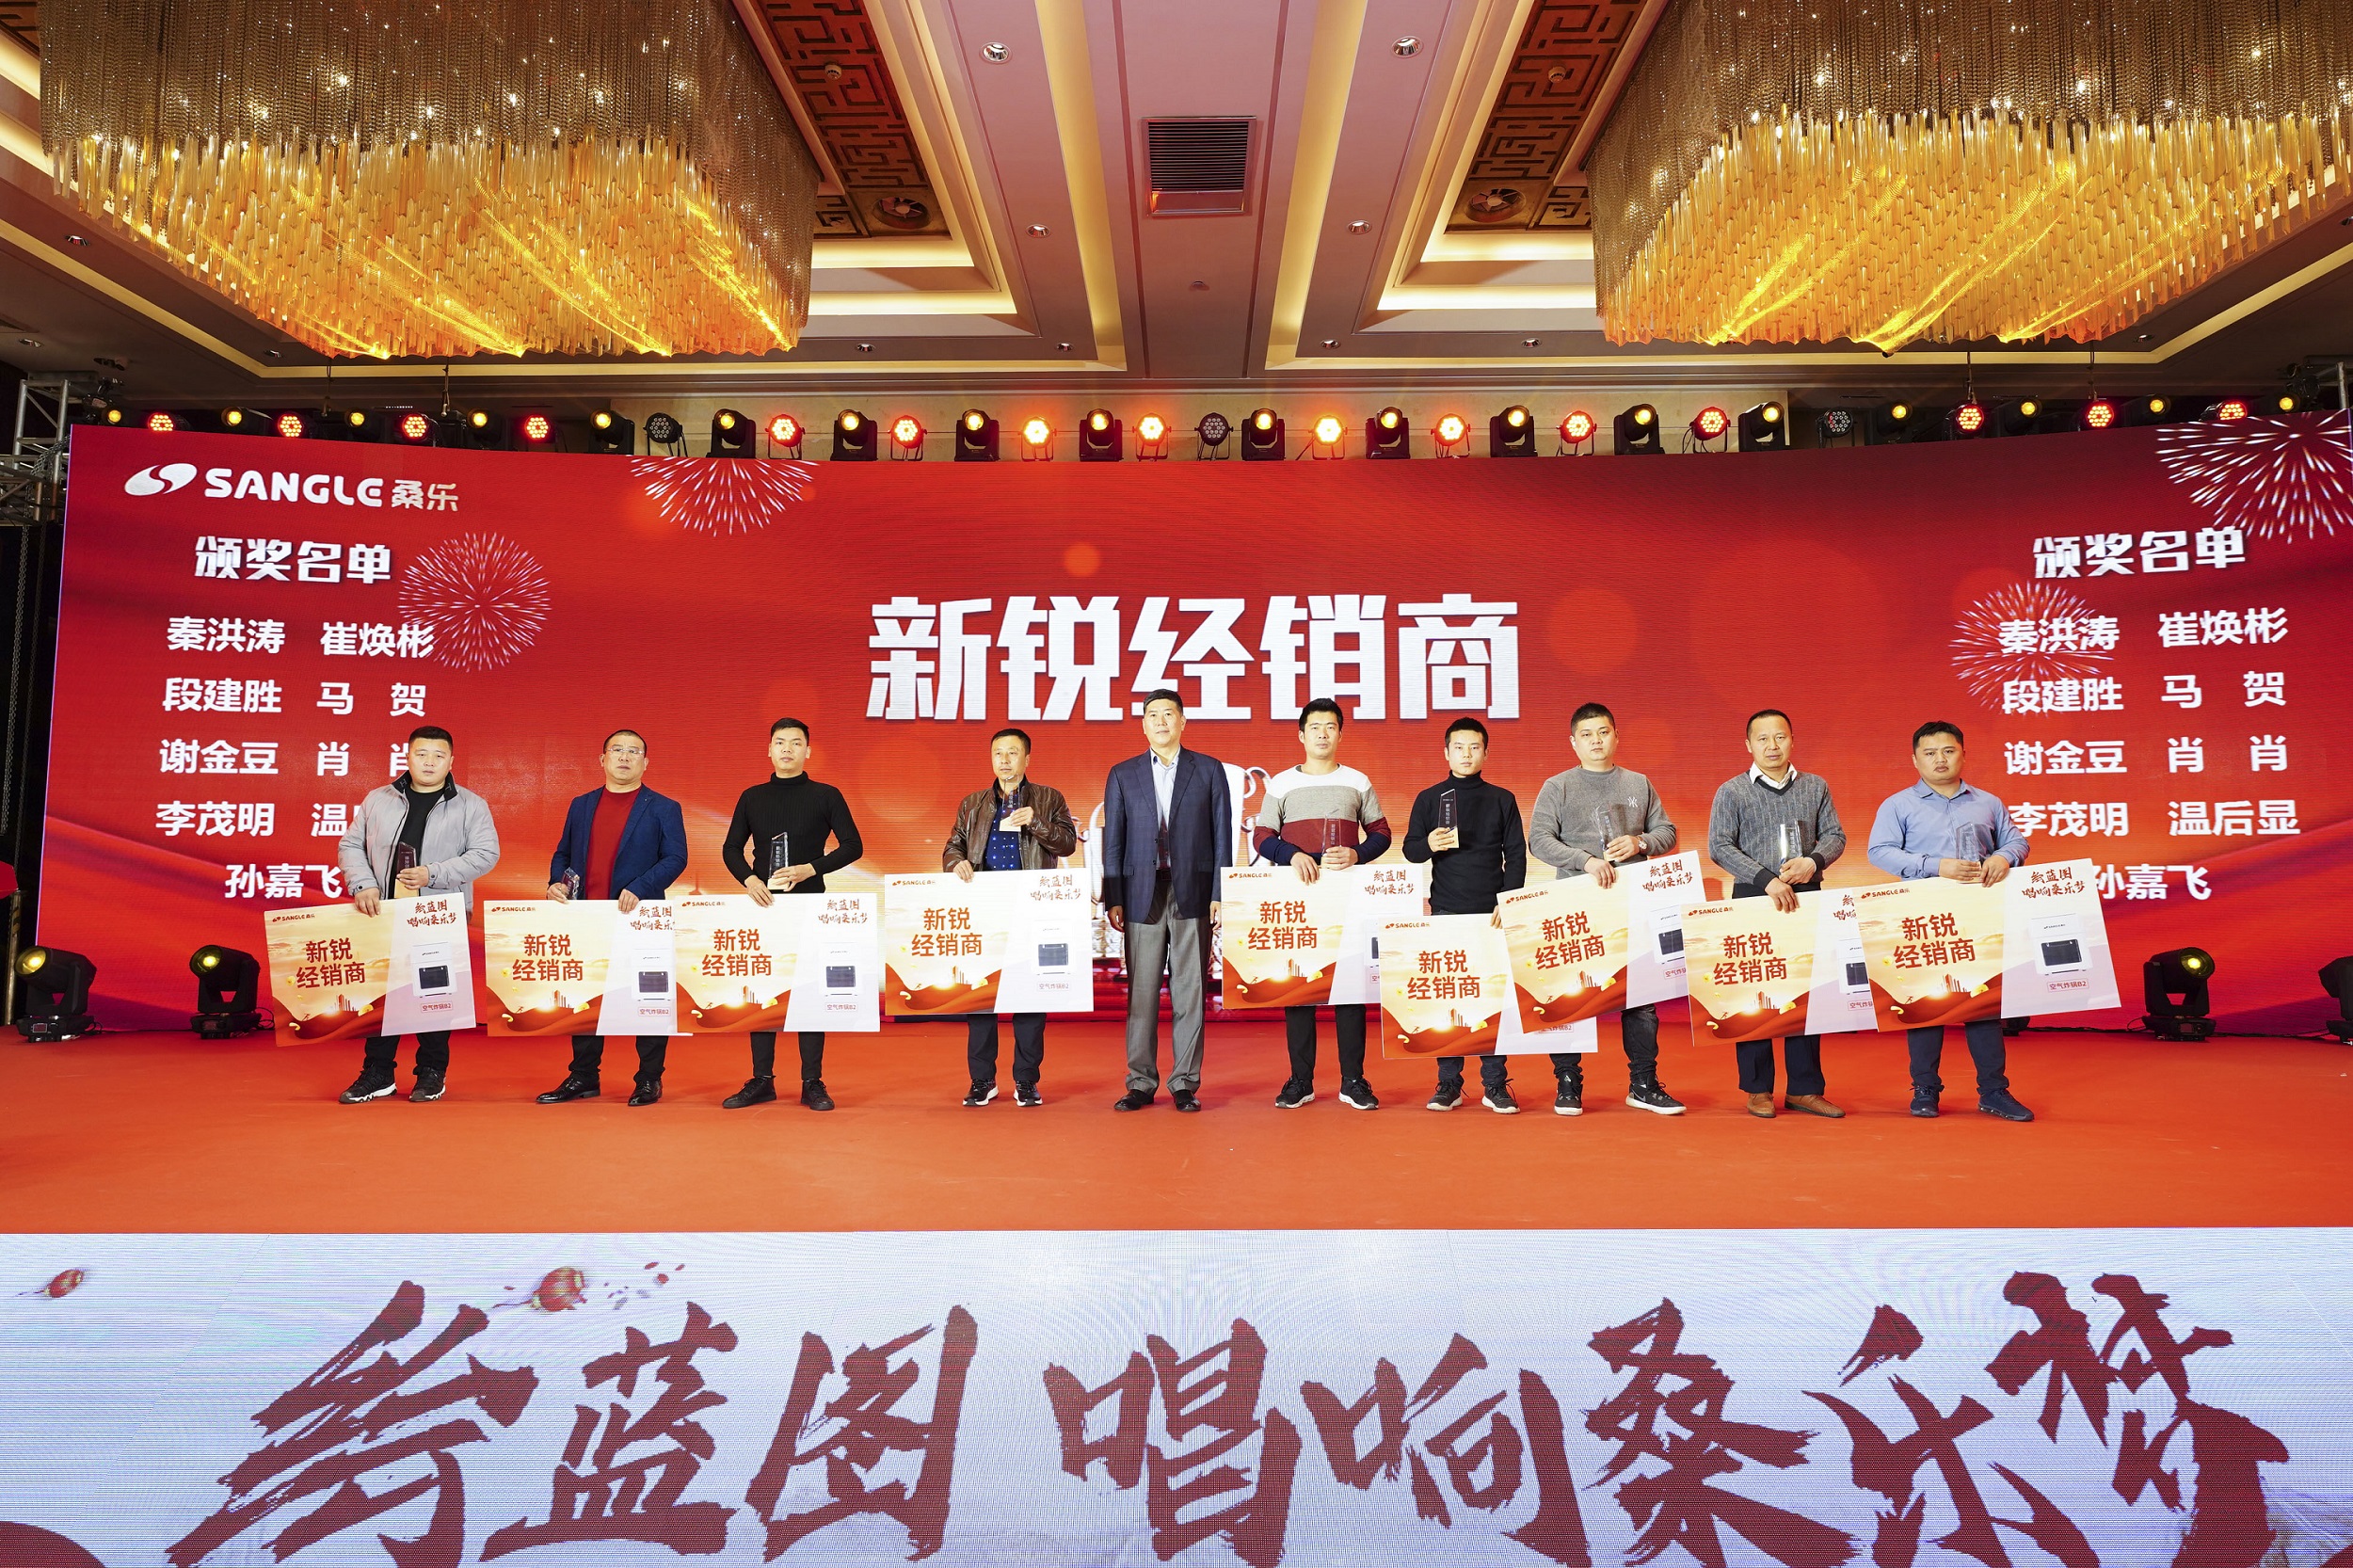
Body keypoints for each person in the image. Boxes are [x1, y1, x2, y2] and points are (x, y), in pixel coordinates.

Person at [1866, 721, 2036, 1123]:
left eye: (1948, 751)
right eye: (1929, 753)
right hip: (1922, 917)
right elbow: (1880, 851)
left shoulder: (1988, 802)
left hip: (1979, 915)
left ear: (1963, 754)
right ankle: (1925, 1089)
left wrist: (2003, 857)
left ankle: (1994, 1091)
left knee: (1983, 1004)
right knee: (1926, 1004)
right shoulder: (1898, 805)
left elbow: (2017, 841)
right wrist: (1934, 865)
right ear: (1915, 760)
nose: (1939, 759)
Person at [1529, 702, 1683, 1115]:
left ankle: (1643, 1083)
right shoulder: (1557, 786)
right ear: (1573, 742)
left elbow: (1667, 831)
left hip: (1632, 903)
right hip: (1575, 908)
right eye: (1587, 735)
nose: (1596, 741)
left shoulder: (1638, 782)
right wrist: (1585, 861)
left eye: (1603, 732)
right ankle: (1568, 1082)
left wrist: (1640, 842)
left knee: (1640, 997)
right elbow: (1538, 840)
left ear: (1616, 736)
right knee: (1570, 996)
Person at [334, 726, 501, 1103]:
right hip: (383, 912)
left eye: (438, 756)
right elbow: (351, 845)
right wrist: (363, 884)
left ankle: (431, 1072)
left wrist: (433, 874)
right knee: (382, 994)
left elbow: (486, 854)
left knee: (435, 993)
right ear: (407, 757)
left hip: (437, 914)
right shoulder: (379, 799)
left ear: (451, 762)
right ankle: (377, 1073)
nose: (429, 762)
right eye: (421, 754)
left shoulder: (471, 805)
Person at [1705, 709, 1849, 1119]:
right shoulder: (1731, 791)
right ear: (1748, 745)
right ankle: (1758, 1089)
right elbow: (1720, 846)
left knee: (1805, 992)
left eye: (1780, 737)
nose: (1772, 746)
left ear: (1792, 740)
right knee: (1754, 993)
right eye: (1763, 738)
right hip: (1753, 896)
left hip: (1806, 894)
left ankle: (1805, 1089)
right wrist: (1767, 879)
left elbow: (1835, 836)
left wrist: (1813, 862)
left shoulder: (1815, 786)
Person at [536, 728, 691, 1107]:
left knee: (650, 996)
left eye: (633, 751)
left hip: (640, 916)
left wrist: (641, 886)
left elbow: (676, 857)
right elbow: (563, 853)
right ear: (602, 759)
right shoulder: (581, 805)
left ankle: (649, 1079)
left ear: (645, 762)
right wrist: (556, 883)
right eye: (617, 750)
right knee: (585, 997)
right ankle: (583, 1076)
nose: (624, 757)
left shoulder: (663, 807)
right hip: (588, 916)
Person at [718, 717, 864, 1112]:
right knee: (762, 991)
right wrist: (749, 879)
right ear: (769, 750)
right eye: (780, 742)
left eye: (796, 743)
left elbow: (853, 845)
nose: (787, 749)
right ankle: (761, 1080)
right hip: (764, 906)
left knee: (809, 992)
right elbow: (731, 848)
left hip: (810, 905)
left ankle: (812, 1082)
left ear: (808, 752)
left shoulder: (826, 795)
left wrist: (810, 869)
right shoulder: (752, 797)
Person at [1255, 696, 1392, 1110]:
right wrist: (1291, 854)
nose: (1322, 734)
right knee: (1299, 990)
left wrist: (1357, 854)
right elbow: (1262, 836)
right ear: (1301, 735)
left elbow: (1382, 833)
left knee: (1350, 990)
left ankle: (1353, 1080)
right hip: (1300, 902)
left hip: (1348, 899)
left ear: (1340, 734)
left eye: (1330, 726)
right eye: (1315, 727)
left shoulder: (1357, 781)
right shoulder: (1281, 784)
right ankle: (1301, 1081)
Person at [1100, 689, 1232, 1112]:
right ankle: (1140, 1082)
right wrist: (1114, 896)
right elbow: (1113, 841)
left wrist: (1220, 893)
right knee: (1141, 992)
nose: (1161, 721)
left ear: (1182, 721)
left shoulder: (1208, 770)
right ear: (1143, 725)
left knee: (1190, 989)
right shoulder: (1123, 774)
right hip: (1141, 892)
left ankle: (1184, 1083)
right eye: (1153, 715)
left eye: (1169, 714)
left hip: (1193, 889)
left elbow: (1223, 837)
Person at [944, 727, 1080, 1107]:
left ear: (1027, 758)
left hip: (1032, 908)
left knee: (1030, 995)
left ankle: (1026, 1080)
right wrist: (955, 863)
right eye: (998, 753)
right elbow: (953, 845)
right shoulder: (973, 803)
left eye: (1013, 753)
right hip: (985, 908)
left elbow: (1068, 844)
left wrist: (1035, 821)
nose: (1004, 760)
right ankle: (982, 1080)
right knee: (980, 996)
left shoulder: (1049, 798)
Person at [1402, 718, 1527, 1112]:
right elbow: (1410, 851)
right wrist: (1429, 843)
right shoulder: (1429, 799)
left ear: (1486, 753)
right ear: (1446, 753)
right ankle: (1449, 1084)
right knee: (1449, 996)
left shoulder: (1502, 799)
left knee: (1492, 998)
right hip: (1447, 910)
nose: (1467, 754)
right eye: (1459, 747)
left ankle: (1495, 1084)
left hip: (1491, 912)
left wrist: (1508, 901)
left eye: (1475, 747)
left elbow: (1516, 855)